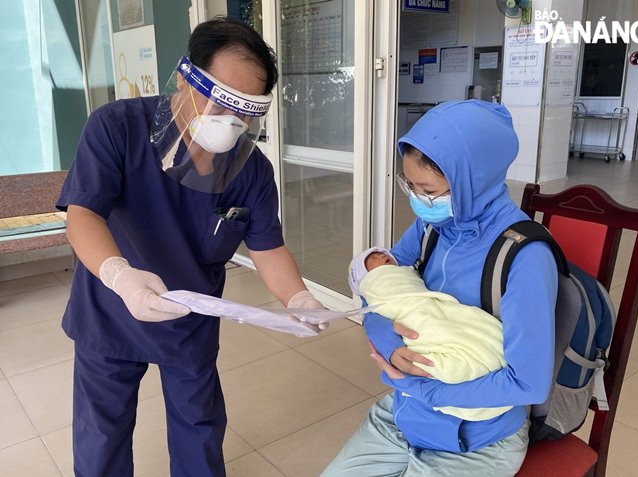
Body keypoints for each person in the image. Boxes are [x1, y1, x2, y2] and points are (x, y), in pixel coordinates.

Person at [57, 16, 325, 477]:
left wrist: (297, 298)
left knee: (198, 426)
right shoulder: (117, 128)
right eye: (217, 101)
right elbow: (83, 213)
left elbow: (267, 247)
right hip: (110, 309)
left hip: (189, 318)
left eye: (242, 112)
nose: (228, 121)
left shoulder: (252, 171)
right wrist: (119, 275)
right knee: (102, 430)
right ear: (184, 78)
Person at [322, 100, 558, 477]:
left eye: (427, 189)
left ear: (472, 180)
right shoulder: (432, 227)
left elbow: (527, 383)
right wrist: (390, 344)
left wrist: (429, 391)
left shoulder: (525, 257)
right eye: (410, 185)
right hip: (405, 414)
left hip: (477, 438)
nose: (418, 200)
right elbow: (378, 289)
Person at [348, 247, 511, 421]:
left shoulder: (523, 248)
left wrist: (411, 385)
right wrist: (380, 330)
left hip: (487, 425)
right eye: (372, 258)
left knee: (467, 334)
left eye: (382, 254)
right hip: (414, 412)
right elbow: (371, 298)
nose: (382, 255)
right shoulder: (422, 233)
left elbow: (528, 386)